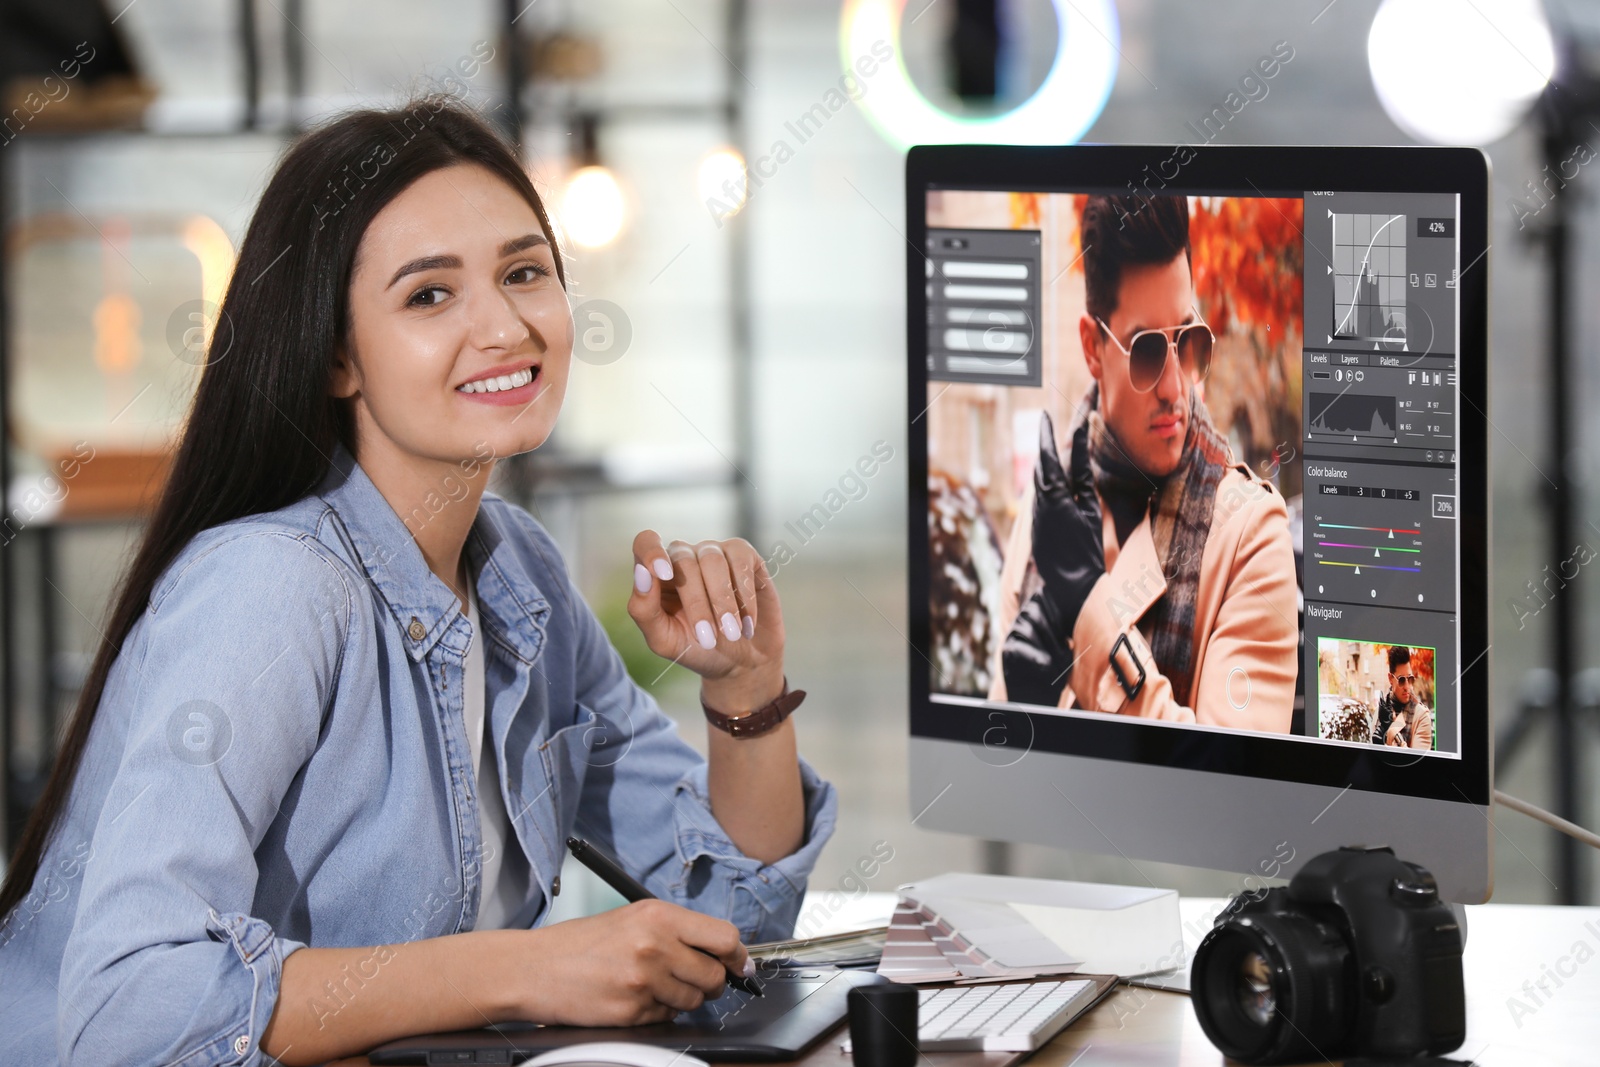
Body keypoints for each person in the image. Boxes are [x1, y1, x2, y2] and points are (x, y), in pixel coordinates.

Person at [0, 97, 837, 1067]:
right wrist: (522, 969)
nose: (504, 325)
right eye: (429, 295)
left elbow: (734, 922)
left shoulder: (519, 573)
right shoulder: (273, 589)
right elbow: (132, 1008)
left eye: (525, 272)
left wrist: (744, 689)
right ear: (335, 357)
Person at [988, 194, 1297, 731]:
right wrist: (1021, 718)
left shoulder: (1250, 536)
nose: (1176, 388)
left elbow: (1232, 793)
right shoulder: (1041, 522)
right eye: (1148, 350)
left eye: (1188, 340)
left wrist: (1089, 608)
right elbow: (995, 789)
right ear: (1091, 347)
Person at [1372, 645, 1434, 750]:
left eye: (1409, 679)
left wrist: (1392, 730)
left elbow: (1414, 763)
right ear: (1390, 678)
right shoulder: (1380, 713)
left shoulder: (1421, 716)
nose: (1407, 687)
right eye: (1401, 680)